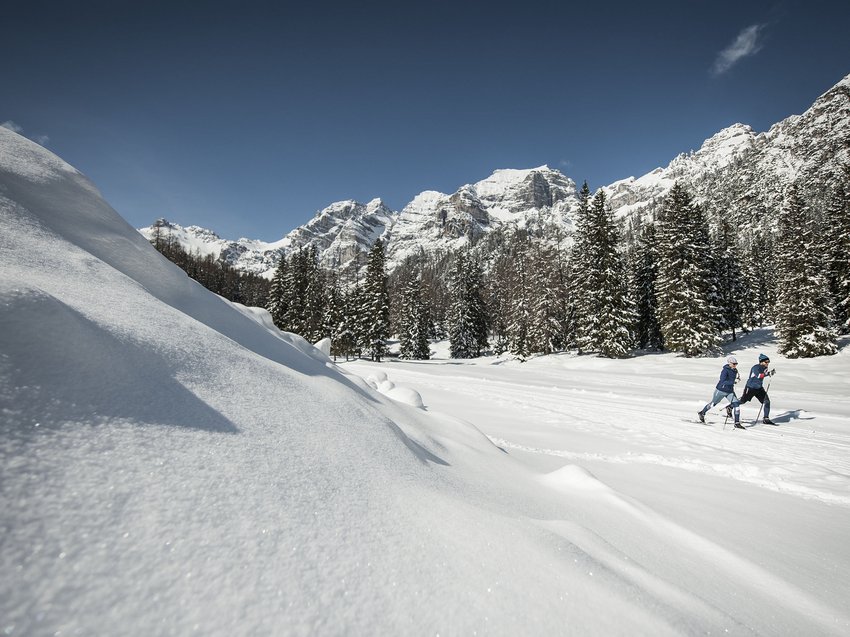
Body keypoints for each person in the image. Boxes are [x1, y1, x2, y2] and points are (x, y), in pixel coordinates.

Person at [698, 355, 743, 428]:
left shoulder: (735, 370)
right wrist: (733, 382)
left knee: (736, 404)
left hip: (730, 391)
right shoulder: (725, 370)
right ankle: (702, 413)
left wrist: (737, 379)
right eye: (734, 364)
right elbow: (723, 381)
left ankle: (737, 423)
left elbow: (734, 379)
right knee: (713, 404)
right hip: (721, 390)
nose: (735, 365)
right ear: (729, 363)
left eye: (736, 364)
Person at [740, 353, 776, 424]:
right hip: (751, 387)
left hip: (759, 388)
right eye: (766, 362)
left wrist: (770, 373)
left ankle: (766, 418)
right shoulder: (756, 367)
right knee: (743, 401)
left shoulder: (765, 368)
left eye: (768, 362)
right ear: (761, 361)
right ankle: (730, 406)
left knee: (767, 401)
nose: (767, 363)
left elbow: (763, 375)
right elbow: (759, 376)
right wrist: (768, 374)